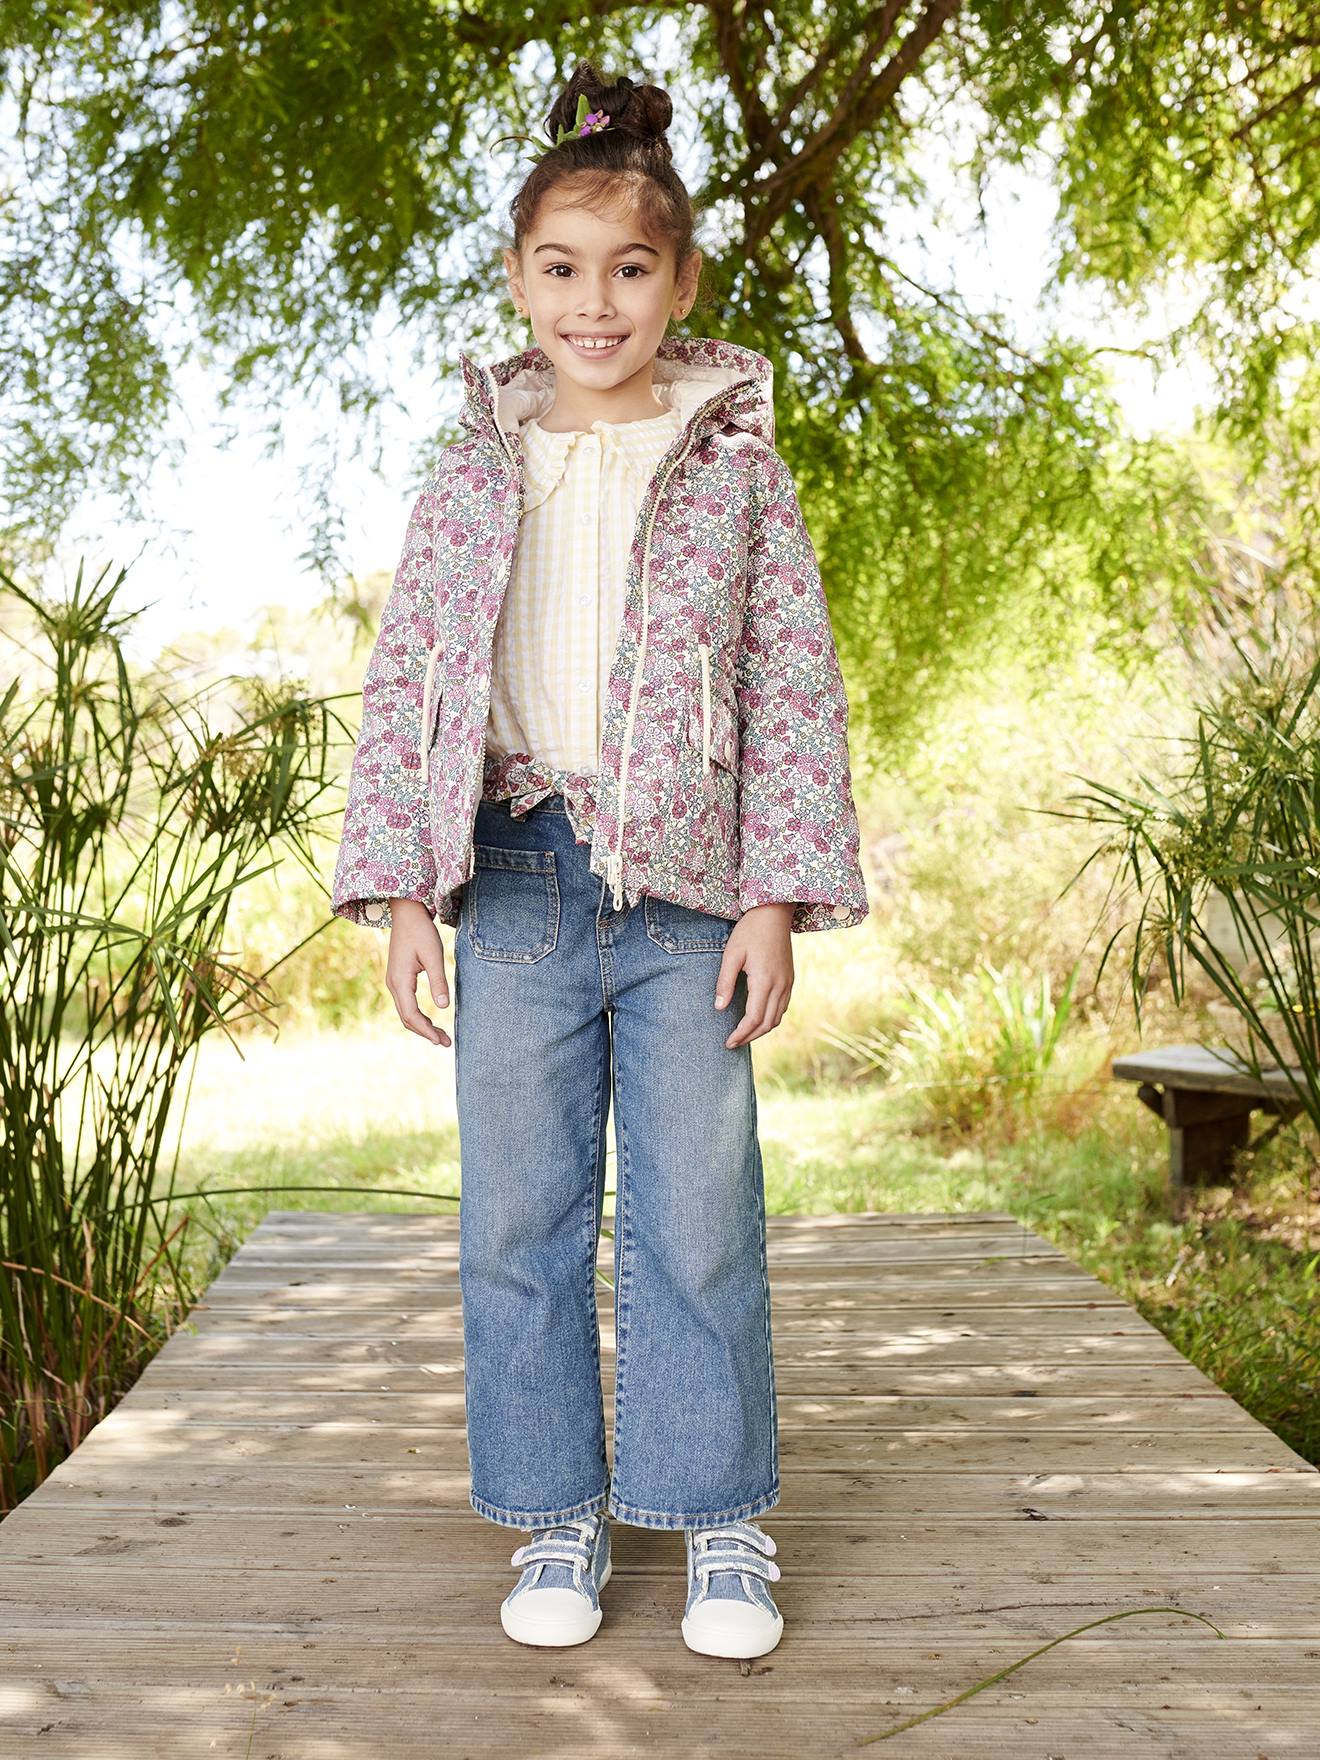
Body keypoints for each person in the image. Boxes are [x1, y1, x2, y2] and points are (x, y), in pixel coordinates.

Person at [331, 57, 869, 1660]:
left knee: (698, 1218)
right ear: (517, 281)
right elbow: (411, 680)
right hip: (512, 882)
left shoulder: (736, 471)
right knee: (521, 1219)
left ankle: (717, 1518)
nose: (594, 302)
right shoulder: (470, 470)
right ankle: (554, 1513)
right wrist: (400, 894)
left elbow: (791, 689)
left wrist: (773, 899)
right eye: (561, 269)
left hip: (690, 893)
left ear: (681, 284)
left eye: (630, 270)